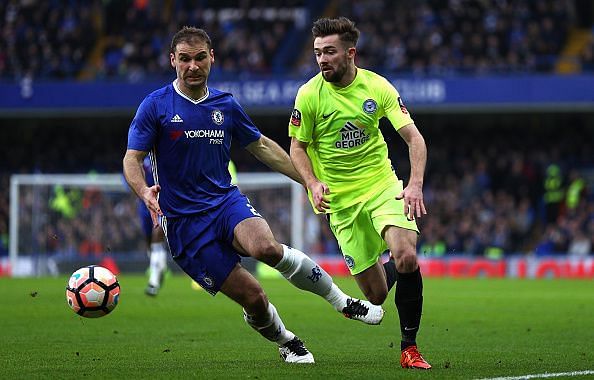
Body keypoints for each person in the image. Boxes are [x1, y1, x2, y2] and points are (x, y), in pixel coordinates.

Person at [123, 26, 384, 364]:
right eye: (184, 59)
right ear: (172, 60)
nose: (193, 66)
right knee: (255, 298)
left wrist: (309, 180)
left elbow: (261, 146)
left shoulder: (225, 105)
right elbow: (132, 158)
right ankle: (287, 340)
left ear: (211, 58)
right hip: (185, 225)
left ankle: (342, 302)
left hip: (224, 202)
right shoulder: (155, 106)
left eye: (200, 58)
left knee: (267, 248)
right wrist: (143, 190)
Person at [288, 17, 431, 369]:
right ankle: (392, 266)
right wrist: (312, 182)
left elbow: (414, 138)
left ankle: (409, 349)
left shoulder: (377, 87)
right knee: (376, 294)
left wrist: (413, 185)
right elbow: (297, 148)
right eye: (317, 53)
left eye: (330, 52)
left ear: (350, 53)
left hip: (381, 186)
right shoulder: (309, 95)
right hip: (341, 201)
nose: (322, 59)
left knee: (407, 257)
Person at [138, 155, 168, 297]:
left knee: (157, 235)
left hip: (163, 202)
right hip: (144, 204)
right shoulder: (139, 155)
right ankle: (159, 266)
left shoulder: (164, 152)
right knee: (149, 241)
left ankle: (153, 282)